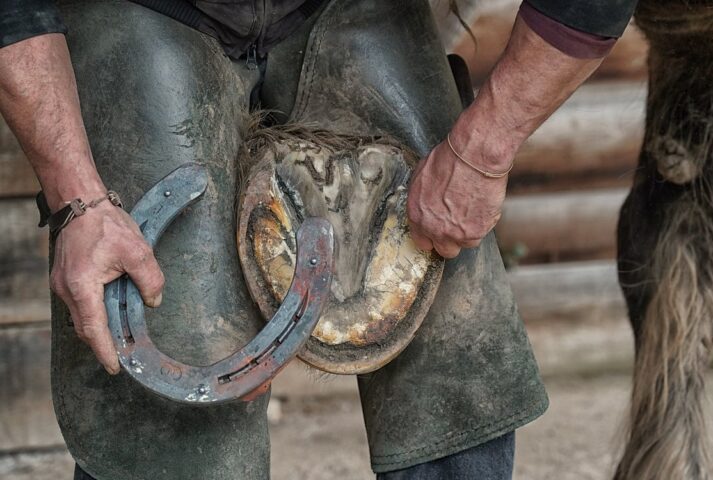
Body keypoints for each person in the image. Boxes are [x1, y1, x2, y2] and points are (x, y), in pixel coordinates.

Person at [0, 1, 637, 478]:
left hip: (351, 7)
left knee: (451, 351)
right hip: (144, 8)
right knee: (167, 386)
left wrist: (481, 152)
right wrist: (79, 199)